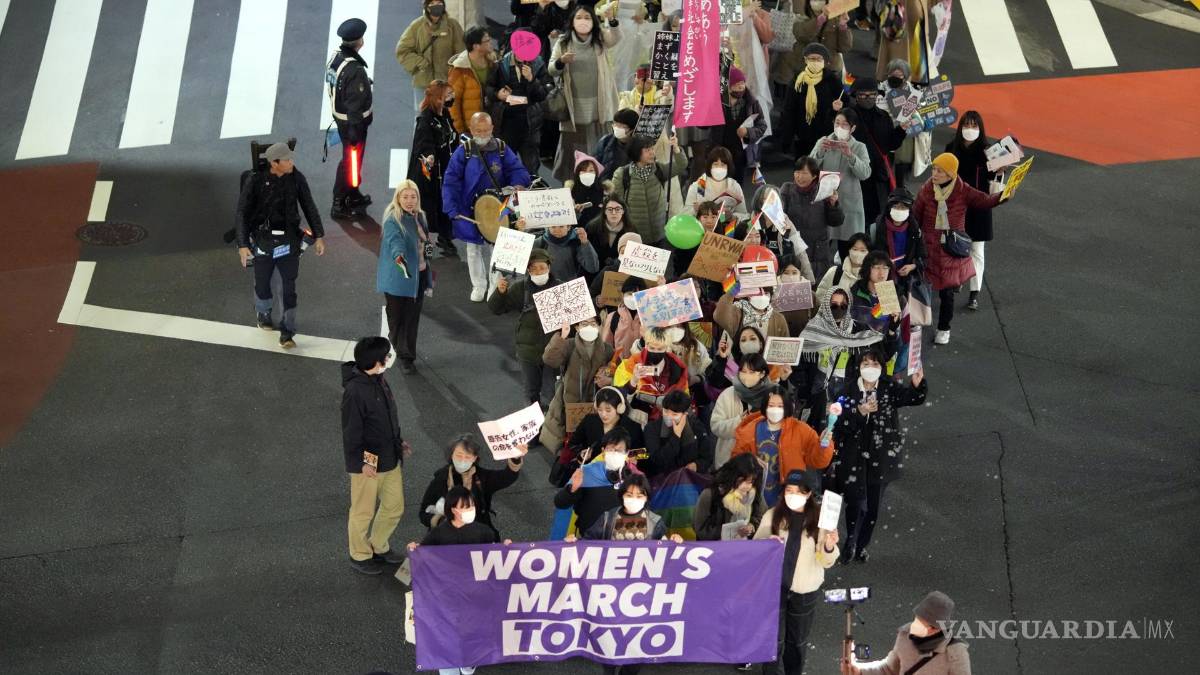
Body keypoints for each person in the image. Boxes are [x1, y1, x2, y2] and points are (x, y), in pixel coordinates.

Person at [831, 349, 926, 563]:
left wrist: (918, 384)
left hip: (881, 458)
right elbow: (838, 427)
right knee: (855, 504)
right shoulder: (846, 391)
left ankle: (862, 544)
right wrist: (859, 412)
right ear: (858, 367)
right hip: (854, 458)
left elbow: (912, 398)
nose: (870, 368)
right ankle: (850, 542)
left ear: (881, 368)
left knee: (872, 509)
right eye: (865, 363)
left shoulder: (888, 388)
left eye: (874, 364)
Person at [407, 486, 507, 675]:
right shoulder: (439, 533)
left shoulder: (484, 531)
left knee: (471, 628)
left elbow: (494, 556)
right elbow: (424, 554)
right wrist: (415, 549)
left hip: (475, 593)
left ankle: (468, 660)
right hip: (448, 594)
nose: (470, 510)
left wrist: (506, 549)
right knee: (449, 628)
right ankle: (450, 663)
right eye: (465, 506)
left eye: (471, 506)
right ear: (453, 509)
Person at [235, 142, 326, 349]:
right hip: (263, 240)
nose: (291, 162)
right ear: (274, 163)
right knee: (262, 283)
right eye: (287, 160)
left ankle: (287, 332)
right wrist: (242, 244)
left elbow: (309, 205)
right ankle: (264, 312)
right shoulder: (255, 180)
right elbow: (242, 212)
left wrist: (319, 235)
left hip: (289, 241)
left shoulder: (296, 178)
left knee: (289, 288)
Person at [912, 152, 1004, 344]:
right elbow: (915, 216)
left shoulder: (963, 190)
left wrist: (1004, 195)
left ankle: (944, 328)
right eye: (934, 169)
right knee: (921, 287)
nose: (934, 174)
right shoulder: (927, 189)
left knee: (947, 291)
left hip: (950, 250)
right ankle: (918, 321)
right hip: (928, 247)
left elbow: (985, 200)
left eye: (939, 171)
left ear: (950, 174)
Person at [754, 470, 839, 675]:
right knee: (772, 639)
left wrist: (828, 546)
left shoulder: (821, 520)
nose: (792, 495)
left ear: (809, 494)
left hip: (805, 590)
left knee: (797, 641)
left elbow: (826, 561)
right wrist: (766, 544)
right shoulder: (772, 516)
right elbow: (755, 551)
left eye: (798, 491)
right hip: (775, 588)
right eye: (789, 490)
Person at [442, 112, 532, 301]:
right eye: (478, 130)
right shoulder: (463, 151)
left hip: (497, 207)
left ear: (492, 129)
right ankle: (478, 285)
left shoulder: (501, 148)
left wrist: (517, 184)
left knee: (497, 248)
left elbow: (517, 169)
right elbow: (451, 180)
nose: (482, 134)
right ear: (471, 129)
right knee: (473, 248)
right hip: (469, 208)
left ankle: (494, 285)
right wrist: (451, 208)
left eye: (486, 130)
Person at [341, 337, 410, 575]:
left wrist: (399, 443)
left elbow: (387, 419)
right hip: (368, 460)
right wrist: (361, 463)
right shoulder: (355, 392)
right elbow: (351, 433)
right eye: (386, 356)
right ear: (376, 361)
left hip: (390, 456)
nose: (389, 360)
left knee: (394, 506)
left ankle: (378, 545)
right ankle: (359, 555)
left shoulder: (378, 379)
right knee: (363, 511)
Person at [550, 3, 622, 182]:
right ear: (572, 21)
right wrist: (561, 61)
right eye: (579, 17)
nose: (583, 21)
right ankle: (571, 183)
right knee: (573, 147)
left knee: (599, 143)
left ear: (594, 21)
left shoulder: (599, 38)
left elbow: (615, 38)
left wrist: (611, 19)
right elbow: (551, 68)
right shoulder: (563, 41)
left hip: (599, 103)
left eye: (587, 17)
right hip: (573, 105)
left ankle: (598, 180)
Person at [734, 391, 834, 507]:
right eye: (771, 405)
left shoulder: (800, 430)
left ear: (787, 407)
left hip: (788, 500)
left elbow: (818, 461)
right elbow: (736, 461)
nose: (775, 410)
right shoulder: (749, 430)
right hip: (753, 498)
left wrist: (823, 445)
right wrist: (749, 462)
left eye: (780, 406)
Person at [488, 248, 560, 405]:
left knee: (553, 392)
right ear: (528, 270)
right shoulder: (520, 288)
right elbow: (496, 309)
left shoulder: (561, 289)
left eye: (542, 267)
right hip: (527, 351)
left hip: (554, 351)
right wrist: (499, 293)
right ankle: (534, 425)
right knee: (531, 391)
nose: (538, 272)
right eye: (533, 268)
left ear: (549, 267)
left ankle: (551, 425)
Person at [417, 434, 526, 536]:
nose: (462, 460)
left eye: (468, 457)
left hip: (477, 535)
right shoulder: (441, 479)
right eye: (459, 455)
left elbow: (506, 477)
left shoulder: (482, 478)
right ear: (452, 455)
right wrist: (441, 521)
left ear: (474, 458)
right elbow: (423, 512)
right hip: (447, 537)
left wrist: (515, 458)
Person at [378, 181, 434, 374]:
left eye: (413, 197)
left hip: (418, 276)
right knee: (396, 319)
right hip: (398, 278)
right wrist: (399, 257)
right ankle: (398, 344)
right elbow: (395, 243)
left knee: (411, 319)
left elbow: (425, 242)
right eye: (405, 197)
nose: (410, 201)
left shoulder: (421, 217)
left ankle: (406, 358)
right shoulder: (392, 220)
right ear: (398, 198)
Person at [845, 591, 971, 675]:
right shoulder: (905, 636)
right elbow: (889, 669)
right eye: (916, 619)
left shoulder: (955, 654)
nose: (914, 626)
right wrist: (860, 670)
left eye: (921, 623)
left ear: (936, 628)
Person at [946, 110, 997, 311]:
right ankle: (958, 280)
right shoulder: (951, 149)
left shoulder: (988, 151)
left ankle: (974, 292)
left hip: (980, 207)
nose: (970, 130)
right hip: (956, 207)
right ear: (960, 128)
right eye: (966, 125)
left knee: (977, 251)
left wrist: (999, 172)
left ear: (980, 129)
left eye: (974, 126)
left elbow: (995, 182)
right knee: (955, 247)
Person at [540, 317, 616, 451]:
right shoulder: (569, 345)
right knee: (572, 444)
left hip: (596, 405)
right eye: (584, 324)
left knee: (593, 442)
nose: (589, 327)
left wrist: (610, 379)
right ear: (577, 327)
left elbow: (618, 374)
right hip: (571, 405)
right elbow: (549, 360)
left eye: (593, 324)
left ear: (599, 326)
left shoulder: (607, 350)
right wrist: (561, 337)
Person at [326, 18, 374, 219]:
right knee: (350, 162)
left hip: (340, 118)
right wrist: (355, 129)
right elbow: (354, 104)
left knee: (351, 161)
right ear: (359, 41)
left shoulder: (337, 57)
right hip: (353, 124)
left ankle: (352, 193)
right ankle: (339, 202)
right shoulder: (355, 70)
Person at [811, 108, 873, 260]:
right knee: (821, 245)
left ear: (853, 128)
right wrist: (820, 152)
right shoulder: (823, 141)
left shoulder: (859, 147)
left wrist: (850, 155)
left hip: (849, 203)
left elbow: (865, 173)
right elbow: (809, 167)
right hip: (826, 200)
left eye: (845, 125)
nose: (840, 127)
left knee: (848, 248)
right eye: (837, 123)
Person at [407, 80, 460, 258]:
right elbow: (424, 147)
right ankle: (425, 247)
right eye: (448, 95)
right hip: (427, 177)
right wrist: (429, 156)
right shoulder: (425, 121)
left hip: (444, 171)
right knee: (427, 213)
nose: (452, 98)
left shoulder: (444, 113)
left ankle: (445, 238)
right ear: (438, 98)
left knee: (445, 205)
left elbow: (453, 136)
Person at [554, 427, 639, 536]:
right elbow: (560, 503)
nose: (614, 453)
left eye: (619, 450)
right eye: (610, 449)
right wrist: (572, 489)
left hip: (621, 538)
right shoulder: (586, 472)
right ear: (603, 451)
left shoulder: (635, 476)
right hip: (589, 538)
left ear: (627, 453)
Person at [611, 131, 687, 249]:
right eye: (647, 150)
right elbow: (616, 203)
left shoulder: (659, 169)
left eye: (652, 148)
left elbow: (682, 165)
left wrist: (676, 148)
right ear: (636, 152)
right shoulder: (622, 174)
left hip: (660, 234)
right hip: (636, 238)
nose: (652, 153)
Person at [556, 387, 645, 486]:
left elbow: (642, 453)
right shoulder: (589, 421)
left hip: (620, 475)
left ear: (619, 408)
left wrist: (629, 458)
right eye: (600, 410)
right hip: (592, 472)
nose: (603, 414)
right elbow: (573, 444)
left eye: (608, 410)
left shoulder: (633, 428)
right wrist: (581, 454)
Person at [849, 77, 906, 229]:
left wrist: (901, 130)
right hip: (855, 173)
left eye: (872, 95)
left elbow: (890, 145)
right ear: (855, 95)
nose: (868, 98)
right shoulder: (848, 116)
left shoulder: (883, 116)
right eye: (863, 95)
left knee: (876, 216)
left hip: (878, 176)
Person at [485, 42, 549, 174]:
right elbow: (488, 88)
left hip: (530, 123)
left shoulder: (538, 65)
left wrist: (532, 79)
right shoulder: (501, 65)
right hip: (506, 123)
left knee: (531, 167)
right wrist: (497, 94)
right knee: (505, 165)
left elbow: (543, 94)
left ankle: (531, 191)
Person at [395, 0, 465, 112]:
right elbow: (402, 50)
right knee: (422, 117)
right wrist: (420, 62)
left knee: (449, 116)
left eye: (439, 3)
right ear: (427, 7)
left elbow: (461, 54)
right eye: (432, 3)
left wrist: (454, 73)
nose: (436, 6)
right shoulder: (417, 26)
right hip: (423, 83)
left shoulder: (453, 26)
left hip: (447, 84)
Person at [709, 353, 775, 469]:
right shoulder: (728, 394)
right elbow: (715, 426)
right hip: (729, 460)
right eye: (743, 371)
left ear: (762, 374)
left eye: (752, 372)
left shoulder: (771, 395)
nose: (746, 376)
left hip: (761, 460)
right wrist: (739, 421)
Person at [613, 326, 690, 421]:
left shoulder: (678, 369)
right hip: (637, 421)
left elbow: (684, 402)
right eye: (652, 348)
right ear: (646, 345)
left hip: (666, 422)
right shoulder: (630, 364)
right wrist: (633, 381)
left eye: (660, 349)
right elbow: (618, 400)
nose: (655, 352)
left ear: (666, 348)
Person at [780, 43, 842, 159]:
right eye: (812, 58)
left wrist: (837, 108)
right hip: (802, 134)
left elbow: (845, 103)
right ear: (805, 60)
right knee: (803, 171)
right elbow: (789, 110)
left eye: (819, 59)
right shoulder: (797, 80)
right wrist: (787, 138)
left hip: (826, 135)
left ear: (825, 61)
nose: (815, 62)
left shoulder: (832, 80)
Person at [714, 67, 768, 184]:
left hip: (741, 154)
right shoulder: (717, 102)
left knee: (737, 186)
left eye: (742, 83)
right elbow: (704, 126)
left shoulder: (751, 103)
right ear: (728, 86)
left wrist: (748, 132)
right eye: (737, 84)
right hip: (720, 153)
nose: (741, 87)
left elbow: (762, 125)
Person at [693, 454, 766, 541]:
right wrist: (728, 531)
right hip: (716, 549)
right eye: (743, 480)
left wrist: (752, 526)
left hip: (744, 548)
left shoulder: (753, 493)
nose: (748, 486)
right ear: (734, 476)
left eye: (751, 481)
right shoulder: (710, 494)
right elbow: (700, 528)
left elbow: (760, 515)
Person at [775, 1, 853, 80]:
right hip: (803, 66)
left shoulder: (836, 14)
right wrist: (820, 19)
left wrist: (842, 26)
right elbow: (801, 35)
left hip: (828, 68)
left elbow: (845, 48)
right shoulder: (801, 8)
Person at [642, 389, 711, 478]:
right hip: (663, 480)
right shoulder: (652, 428)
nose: (669, 417)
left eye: (674, 414)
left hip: (690, 479)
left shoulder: (696, 427)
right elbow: (657, 461)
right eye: (666, 411)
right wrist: (676, 436)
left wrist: (697, 465)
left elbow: (707, 457)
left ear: (685, 414)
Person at [871, 187, 925, 297]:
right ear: (889, 208)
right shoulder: (877, 228)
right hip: (884, 280)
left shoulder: (915, 230)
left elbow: (923, 256)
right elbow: (871, 256)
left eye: (903, 207)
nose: (899, 210)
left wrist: (912, 266)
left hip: (907, 282)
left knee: (905, 312)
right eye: (895, 206)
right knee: (887, 311)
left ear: (909, 210)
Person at [848, 251, 902, 358]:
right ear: (868, 269)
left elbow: (901, 335)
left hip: (882, 357)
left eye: (885, 268)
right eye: (877, 267)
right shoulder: (854, 293)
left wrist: (892, 330)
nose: (881, 273)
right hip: (857, 355)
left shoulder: (893, 294)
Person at [447, 26, 496, 134]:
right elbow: (453, 104)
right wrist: (459, 132)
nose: (491, 42)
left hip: (492, 126)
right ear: (476, 46)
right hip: (471, 129)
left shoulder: (493, 63)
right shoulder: (460, 69)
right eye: (487, 40)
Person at [684, 146, 750, 221]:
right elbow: (685, 214)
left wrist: (731, 216)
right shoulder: (700, 185)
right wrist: (697, 211)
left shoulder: (734, 186)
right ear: (710, 166)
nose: (719, 168)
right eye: (715, 164)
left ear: (728, 167)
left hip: (726, 229)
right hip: (702, 229)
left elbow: (744, 215)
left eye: (723, 165)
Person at [532, 221, 600, 284]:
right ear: (548, 227)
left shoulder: (576, 243)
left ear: (568, 227)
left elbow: (593, 268)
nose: (557, 230)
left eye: (561, 226)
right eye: (553, 226)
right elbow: (525, 270)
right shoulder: (539, 243)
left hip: (569, 287)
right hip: (544, 288)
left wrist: (585, 242)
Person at [599, 271, 646, 357]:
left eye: (638, 294)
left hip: (642, 365)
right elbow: (605, 346)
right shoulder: (613, 317)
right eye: (630, 294)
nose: (634, 298)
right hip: (619, 366)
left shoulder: (648, 318)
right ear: (622, 295)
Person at [587, 195, 638, 270]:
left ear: (623, 211)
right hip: (595, 274)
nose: (614, 213)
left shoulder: (631, 230)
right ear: (605, 211)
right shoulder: (592, 227)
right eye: (610, 209)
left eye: (617, 209)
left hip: (619, 274)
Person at [817, 232, 872, 298]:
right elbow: (820, 297)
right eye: (855, 249)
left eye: (863, 250)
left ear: (869, 253)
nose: (858, 253)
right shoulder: (834, 272)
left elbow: (886, 305)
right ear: (849, 250)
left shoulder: (876, 274)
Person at [593, 108, 641, 183]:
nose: (617, 128)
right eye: (615, 124)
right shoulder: (605, 141)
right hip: (606, 186)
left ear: (632, 129)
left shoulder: (640, 147)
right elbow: (594, 164)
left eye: (622, 126)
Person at [569, 150, 608, 231]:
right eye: (583, 171)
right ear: (577, 173)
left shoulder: (605, 190)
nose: (587, 174)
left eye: (591, 170)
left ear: (596, 172)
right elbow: (567, 220)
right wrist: (575, 212)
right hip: (577, 232)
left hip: (598, 232)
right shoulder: (570, 191)